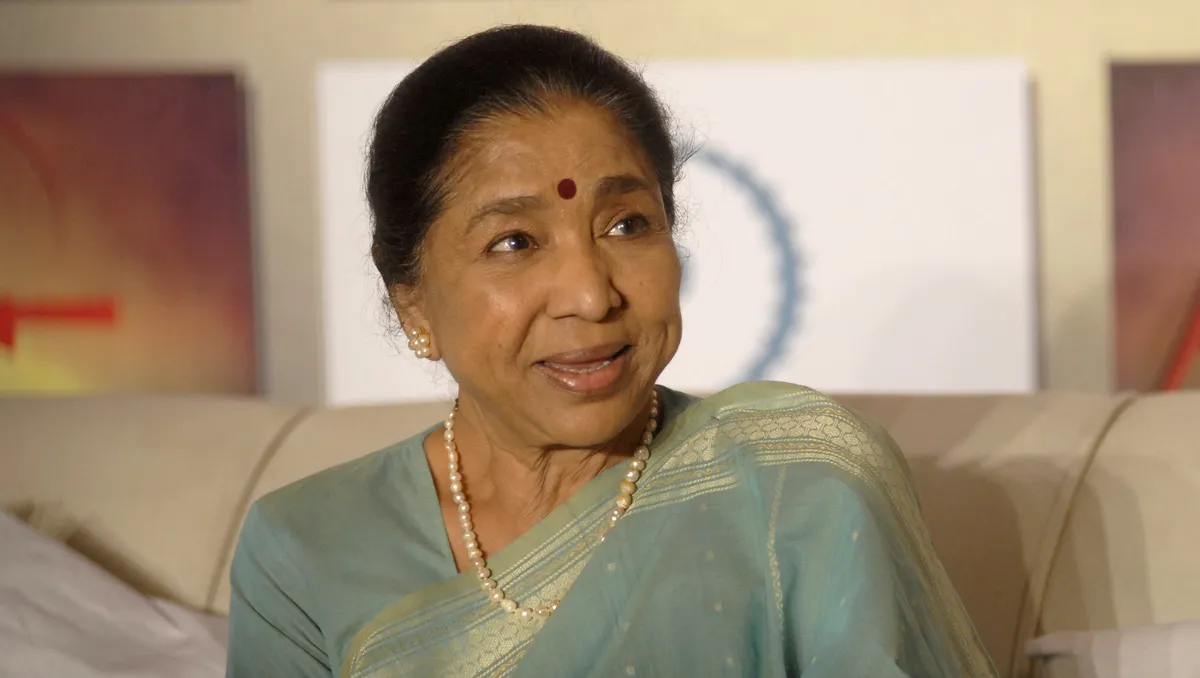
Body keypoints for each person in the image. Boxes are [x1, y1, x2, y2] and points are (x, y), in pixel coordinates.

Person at [226, 24, 997, 678]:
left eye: (627, 225)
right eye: (515, 241)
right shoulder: (303, 548)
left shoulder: (800, 482)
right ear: (412, 300)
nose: (592, 295)